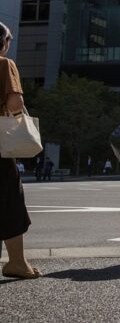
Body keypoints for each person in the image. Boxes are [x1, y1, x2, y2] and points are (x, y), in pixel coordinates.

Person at [0, 22, 41, 279]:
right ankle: (17, 262)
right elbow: (16, 101)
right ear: (3, 41)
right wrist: (14, 116)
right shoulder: (4, 64)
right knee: (9, 200)